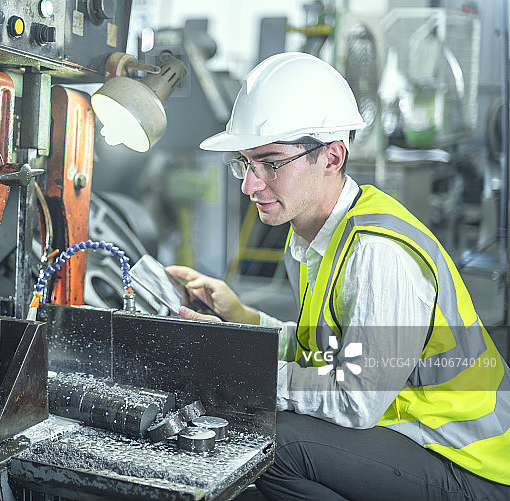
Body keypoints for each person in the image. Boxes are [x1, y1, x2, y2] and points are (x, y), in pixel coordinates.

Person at [167, 52, 510, 500]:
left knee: (272, 443)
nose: (249, 185)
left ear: (331, 157)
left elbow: (356, 400)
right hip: (416, 438)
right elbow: (330, 350)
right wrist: (243, 320)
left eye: (270, 163)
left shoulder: (377, 253)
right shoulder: (313, 239)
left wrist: (240, 368)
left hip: (471, 467)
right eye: (245, 163)